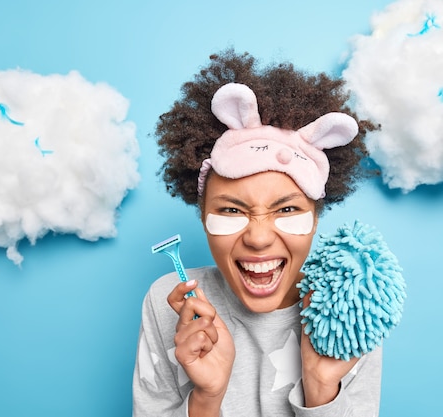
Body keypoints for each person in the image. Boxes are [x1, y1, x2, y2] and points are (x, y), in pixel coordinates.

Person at [133, 49, 381, 417]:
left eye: (287, 209)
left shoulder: (350, 304)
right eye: (232, 210)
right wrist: (206, 400)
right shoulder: (167, 304)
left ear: (315, 216)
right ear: (202, 216)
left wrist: (321, 388)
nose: (259, 238)